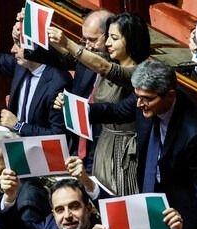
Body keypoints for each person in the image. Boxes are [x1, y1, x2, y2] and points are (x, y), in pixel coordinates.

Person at [89, 60, 197, 229]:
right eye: (138, 96)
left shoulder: (195, 132)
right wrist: (78, 109)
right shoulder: (145, 97)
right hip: (156, 199)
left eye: (146, 99)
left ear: (170, 95)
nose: (139, 104)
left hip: (188, 213)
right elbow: (116, 111)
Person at [50, 12, 151, 195]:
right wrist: (68, 103)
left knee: (115, 199)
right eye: (108, 37)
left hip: (124, 152)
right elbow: (76, 57)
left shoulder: (141, 72)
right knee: (95, 194)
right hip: (102, 145)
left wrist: (67, 42)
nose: (108, 43)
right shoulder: (106, 60)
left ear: (131, 41)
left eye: (114, 38)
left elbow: (106, 73)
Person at [19, 9, 112, 168]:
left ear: (110, 36)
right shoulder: (85, 57)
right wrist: (28, 34)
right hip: (78, 146)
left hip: (104, 150)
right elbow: (57, 58)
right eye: (84, 40)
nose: (87, 46)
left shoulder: (120, 70)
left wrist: (79, 107)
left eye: (92, 40)